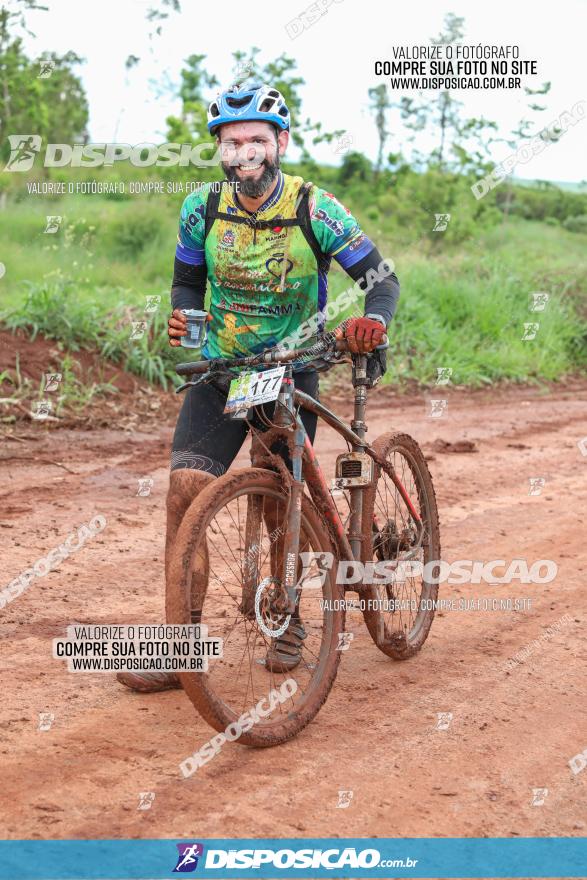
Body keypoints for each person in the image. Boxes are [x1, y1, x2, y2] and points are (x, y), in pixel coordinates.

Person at [117, 82, 399, 693]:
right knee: (184, 495)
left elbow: (382, 279)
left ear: (281, 144)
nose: (245, 153)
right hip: (220, 371)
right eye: (232, 142)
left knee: (277, 496)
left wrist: (372, 321)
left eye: (257, 141)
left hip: (289, 366)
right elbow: (186, 285)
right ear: (219, 150)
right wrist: (182, 316)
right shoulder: (201, 210)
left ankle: (287, 621)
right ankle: (177, 652)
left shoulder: (315, 208)